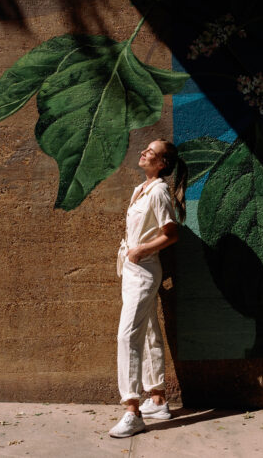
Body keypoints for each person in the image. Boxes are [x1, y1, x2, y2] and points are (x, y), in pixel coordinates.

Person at [109, 139, 188, 439]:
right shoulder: (139, 190)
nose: (143, 152)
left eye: (151, 152)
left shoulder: (158, 191)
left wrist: (140, 251)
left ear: (162, 164)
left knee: (127, 334)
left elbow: (171, 234)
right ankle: (157, 399)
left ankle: (132, 409)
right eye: (145, 149)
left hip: (143, 269)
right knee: (150, 331)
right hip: (131, 268)